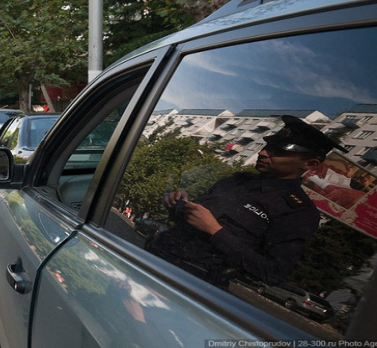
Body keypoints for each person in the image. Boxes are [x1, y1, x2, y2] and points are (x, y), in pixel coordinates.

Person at [149, 115, 348, 287]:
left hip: (193, 284)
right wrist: (178, 205)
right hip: (155, 260)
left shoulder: (299, 212)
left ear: (310, 164)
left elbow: (273, 272)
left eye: (278, 151)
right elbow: (190, 222)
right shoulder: (236, 180)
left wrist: (214, 231)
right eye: (267, 146)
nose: (263, 153)